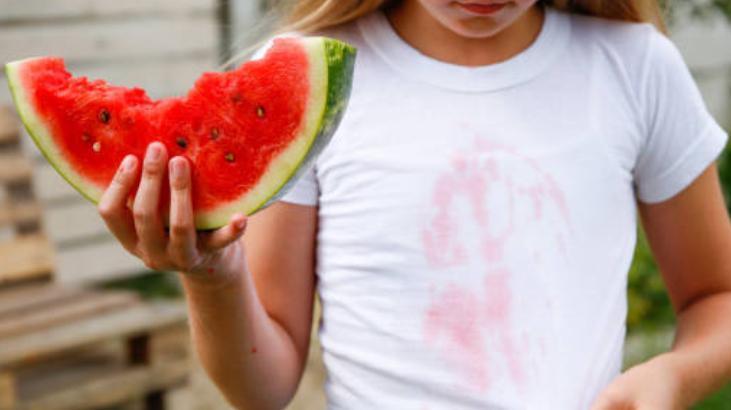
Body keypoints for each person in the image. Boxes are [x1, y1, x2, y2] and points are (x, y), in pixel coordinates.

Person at [97, 0, 731, 408]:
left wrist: (675, 376)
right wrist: (212, 277)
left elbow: (718, 297)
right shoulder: (305, 75)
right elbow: (263, 389)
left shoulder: (635, 67)